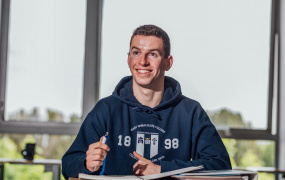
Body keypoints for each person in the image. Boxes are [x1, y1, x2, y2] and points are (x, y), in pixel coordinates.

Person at [61, 24, 232, 179]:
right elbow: (69, 163)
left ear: (168, 62)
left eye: (152, 54)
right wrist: (86, 164)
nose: (143, 61)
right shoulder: (106, 109)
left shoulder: (190, 112)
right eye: (136, 53)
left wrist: (161, 170)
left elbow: (220, 165)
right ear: (129, 59)